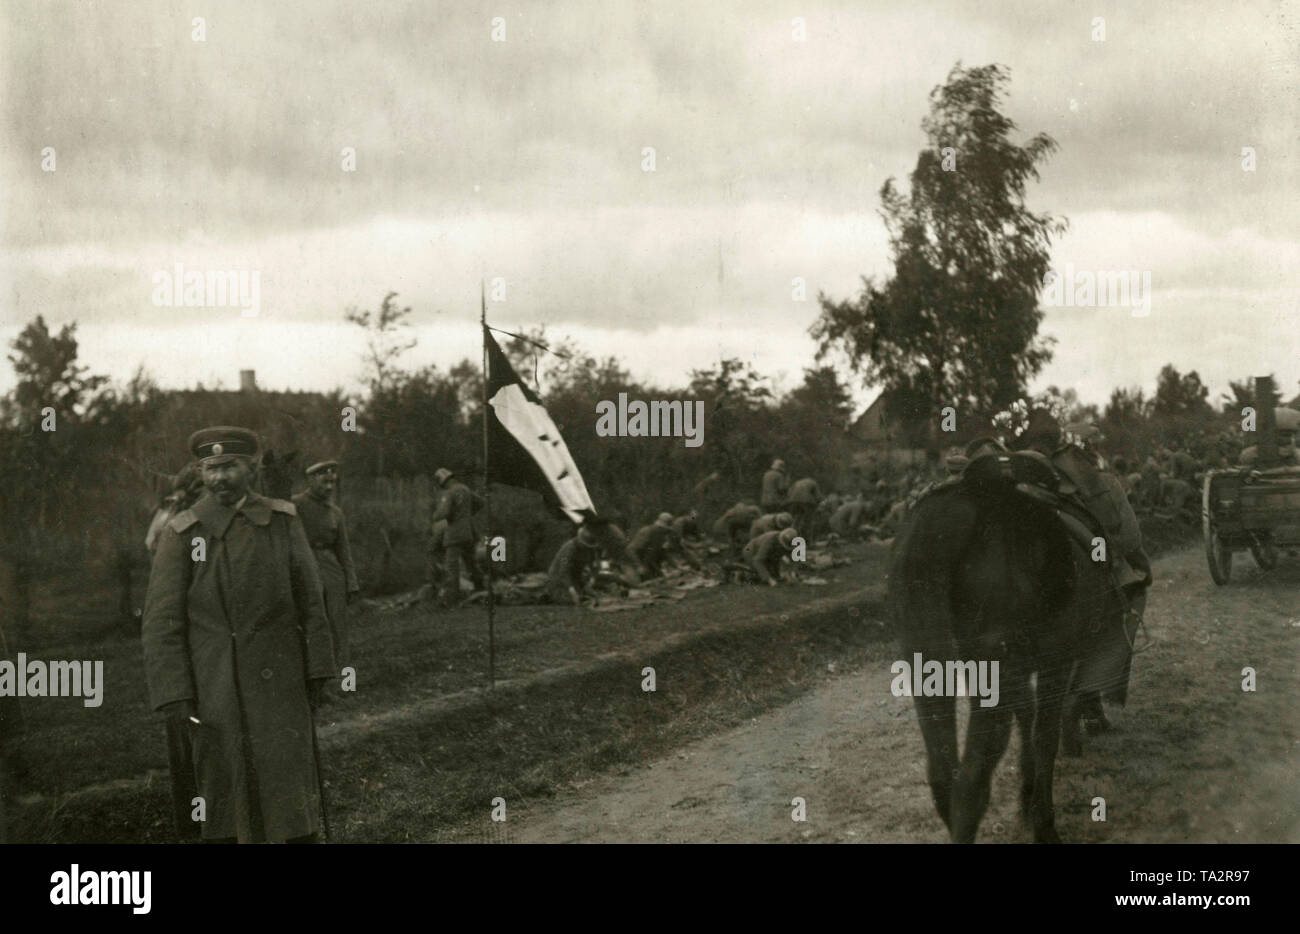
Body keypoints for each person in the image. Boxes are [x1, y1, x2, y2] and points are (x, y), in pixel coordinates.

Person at [142, 426, 335, 843]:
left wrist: (319, 669)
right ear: (200, 472)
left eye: (229, 467)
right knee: (224, 793)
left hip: (282, 684)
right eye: (210, 469)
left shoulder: (283, 522)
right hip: (214, 689)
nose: (219, 479)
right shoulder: (182, 533)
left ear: (249, 468)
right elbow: (162, 624)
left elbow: (312, 602)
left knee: (287, 789)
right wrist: (175, 693)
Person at [293, 461, 360, 672]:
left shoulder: (336, 512)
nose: (329, 487)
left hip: (331, 569)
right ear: (310, 480)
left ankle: (342, 676)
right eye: (324, 481)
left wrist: (351, 582)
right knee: (309, 621)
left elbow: (344, 550)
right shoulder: (295, 505)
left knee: (337, 623)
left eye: (332, 482)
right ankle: (313, 673)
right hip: (303, 565)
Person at [430, 467, 484, 607]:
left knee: (451, 567)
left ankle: (451, 600)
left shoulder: (449, 493)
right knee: (471, 564)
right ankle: (482, 590)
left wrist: (435, 515)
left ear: (443, 482)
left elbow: (444, 513)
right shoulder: (465, 489)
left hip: (453, 534)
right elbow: (481, 503)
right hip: (468, 532)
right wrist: (465, 514)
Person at [629, 512, 695, 580]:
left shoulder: (662, 536)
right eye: (664, 529)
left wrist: (678, 567)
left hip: (649, 565)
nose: (666, 532)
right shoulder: (646, 532)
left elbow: (663, 553)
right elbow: (631, 550)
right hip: (633, 565)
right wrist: (639, 566)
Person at [547, 524, 602, 605]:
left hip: (576, 579)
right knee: (571, 600)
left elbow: (595, 566)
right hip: (559, 580)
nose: (587, 547)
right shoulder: (569, 548)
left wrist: (591, 582)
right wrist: (572, 590)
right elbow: (563, 571)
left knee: (591, 597)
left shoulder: (591, 550)